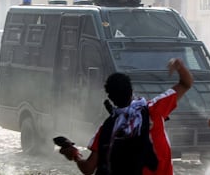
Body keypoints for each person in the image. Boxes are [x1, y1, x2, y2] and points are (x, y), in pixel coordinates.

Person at [59, 58, 193, 175]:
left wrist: (74, 154)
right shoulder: (153, 109)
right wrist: (178, 65)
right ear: (131, 91)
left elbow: (88, 169)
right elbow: (186, 83)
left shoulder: (107, 129)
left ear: (111, 98)